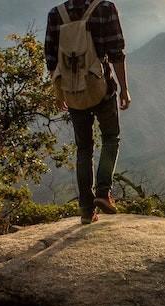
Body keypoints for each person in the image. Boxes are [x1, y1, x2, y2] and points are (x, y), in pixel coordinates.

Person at [45, 0, 131, 224]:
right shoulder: (105, 8)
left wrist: (59, 93)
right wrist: (124, 89)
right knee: (111, 137)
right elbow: (116, 52)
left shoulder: (56, 13)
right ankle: (103, 193)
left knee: (84, 149)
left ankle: (85, 209)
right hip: (101, 88)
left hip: (73, 91)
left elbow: (51, 59)